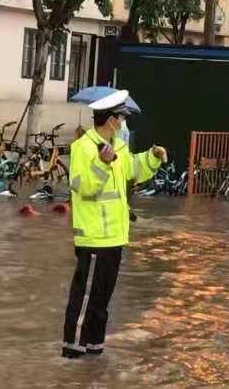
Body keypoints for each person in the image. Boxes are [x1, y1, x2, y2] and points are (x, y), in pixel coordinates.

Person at [62, 90, 167, 359]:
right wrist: (102, 164)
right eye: (120, 117)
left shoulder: (119, 146)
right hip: (94, 238)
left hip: (116, 238)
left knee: (101, 300)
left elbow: (133, 170)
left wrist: (152, 157)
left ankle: (94, 352)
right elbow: (83, 187)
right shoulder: (82, 148)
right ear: (109, 120)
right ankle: (73, 353)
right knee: (85, 298)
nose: (122, 122)